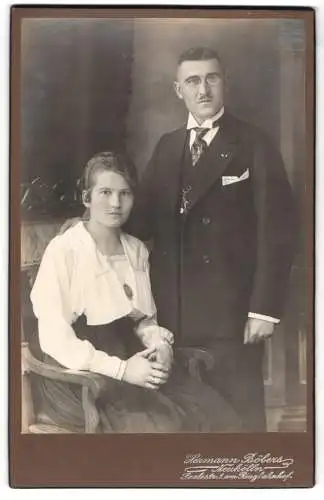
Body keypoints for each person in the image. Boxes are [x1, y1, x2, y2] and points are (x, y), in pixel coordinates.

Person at [126, 46, 298, 432]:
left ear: (224, 83)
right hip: (173, 314)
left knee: (240, 421)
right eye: (193, 81)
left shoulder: (253, 144)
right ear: (178, 90)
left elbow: (279, 230)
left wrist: (263, 310)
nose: (203, 89)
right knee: (185, 420)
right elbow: (141, 224)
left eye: (211, 78)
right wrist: (91, 229)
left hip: (232, 315)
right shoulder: (168, 147)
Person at [30, 151, 241, 433]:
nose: (115, 203)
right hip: (81, 374)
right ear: (86, 198)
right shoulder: (64, 251)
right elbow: (55, 339)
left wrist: (161, 347)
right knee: (163, 429)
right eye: (105, 192)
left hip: (130, 353)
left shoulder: (136, 249)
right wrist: (122, 370)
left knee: (220, 416)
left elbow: (143, 319)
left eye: (124, 194)